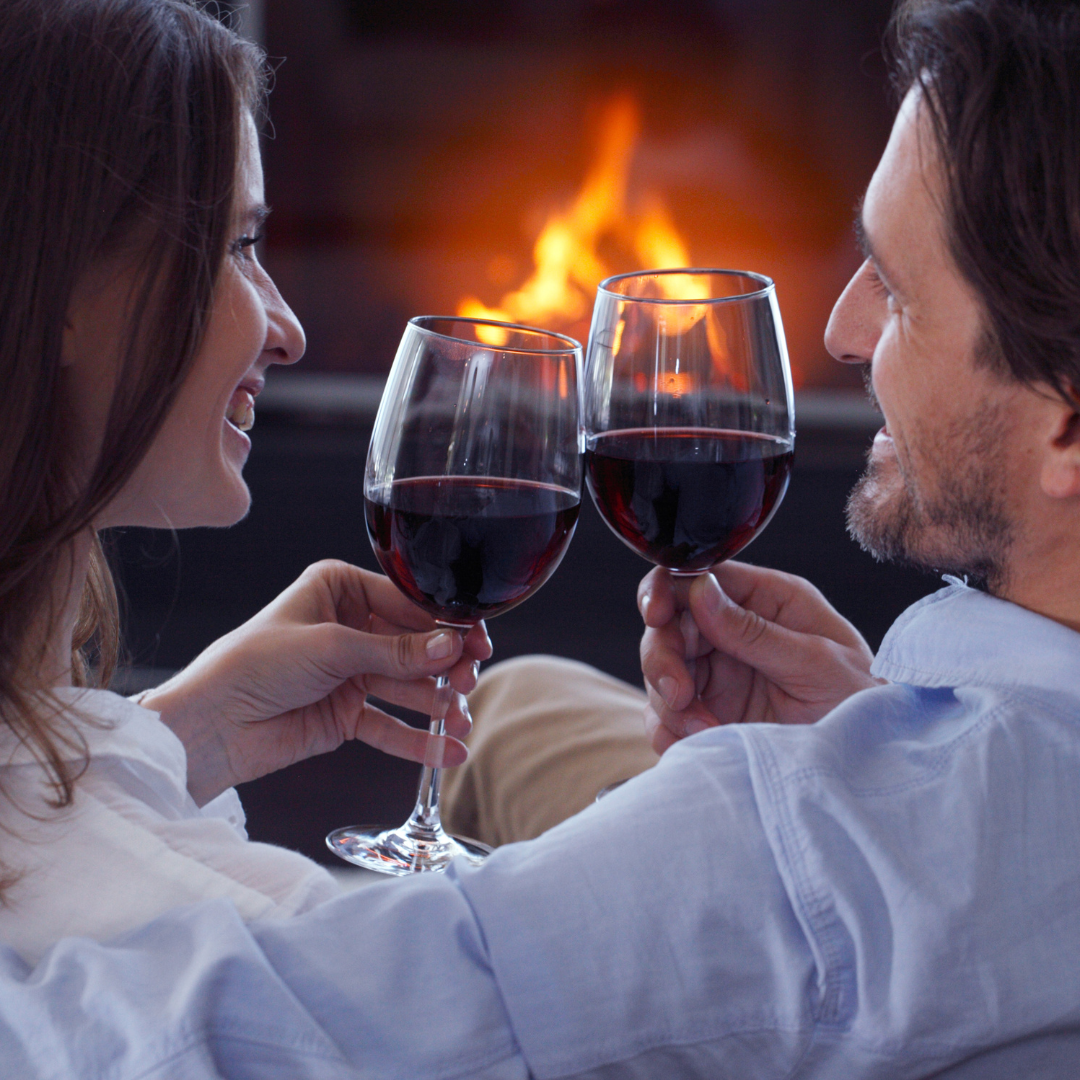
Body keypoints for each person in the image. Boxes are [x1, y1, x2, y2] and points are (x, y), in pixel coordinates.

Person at [6, 0, 1080, 1078]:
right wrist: (870, 737)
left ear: (1066, 422)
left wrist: (837, 795)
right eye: (239, 247)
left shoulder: (804, 853)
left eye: (895, 293)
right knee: (520, 705)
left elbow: (239, 1025)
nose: (839, 331)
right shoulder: (963, 789)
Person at [0, 0, 491, 964]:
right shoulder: (178, 926)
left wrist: (182, 735)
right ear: (55, 285)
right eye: (237, 247)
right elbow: (457, 1002)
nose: (289, 328)